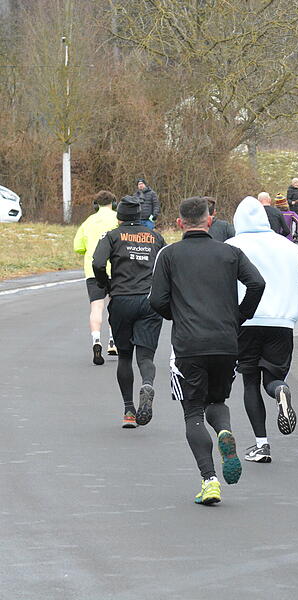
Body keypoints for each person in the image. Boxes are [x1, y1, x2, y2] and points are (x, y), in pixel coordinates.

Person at [149, 197, 265, 505]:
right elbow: (257, 284)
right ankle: (225, 432)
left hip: (189, 344)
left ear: (179, 223)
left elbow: (156, 300)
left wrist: (179, 315)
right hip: (226, 341)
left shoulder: (169, 255)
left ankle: (209, 481)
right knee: (218, 400)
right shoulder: (230, 252)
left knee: (193, 411)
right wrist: (239, 316)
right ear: (210, 220)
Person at [226, 196, 298, 463]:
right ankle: (279, 391)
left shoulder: (232, 246)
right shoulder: (287, 246)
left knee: (249, 380)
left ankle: (261, 445)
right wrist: (290, 299)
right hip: (282, 322)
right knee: (272, 377)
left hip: (246, 320)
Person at [92, 196, 166, 428]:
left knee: (124, 355)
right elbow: (166, 265)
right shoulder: (155, 237)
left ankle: (128, 410)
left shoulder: (112, 236)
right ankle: (147, 383)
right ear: (139, 216)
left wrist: (106, 284)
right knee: (145, 356)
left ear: (119, 215)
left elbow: (97, 262)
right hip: (149, 300)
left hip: (122, 298)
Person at [73, 190, 120, 365]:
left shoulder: (88, 222)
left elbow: (78, 247)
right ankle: (113, 341)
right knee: (115, 306)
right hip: (116, 270)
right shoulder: (118, 219)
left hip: (93, 270)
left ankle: (96, 341)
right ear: (114, 204)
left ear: (95, 205)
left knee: (96, 307)